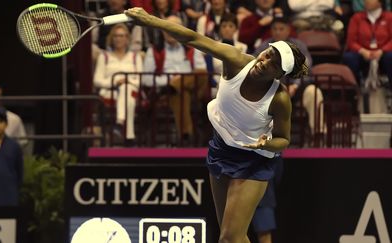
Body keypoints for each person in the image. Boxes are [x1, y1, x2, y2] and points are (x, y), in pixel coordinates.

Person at [125, 7, 308, 243]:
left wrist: (267, 143)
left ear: (280, 74)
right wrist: (150, 20)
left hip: (254, 161)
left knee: (229, 238)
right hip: (221, 150)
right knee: (233, 238)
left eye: (273, 64)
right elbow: (194, 37)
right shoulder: (236, 60)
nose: (265, 61)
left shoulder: (280, 99)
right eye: (268, 54)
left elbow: (284, 139)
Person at [143, 15, 208, 144]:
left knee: (201, 74)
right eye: (167, 28)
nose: (170, 32)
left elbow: (202, 73)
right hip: (165, 93)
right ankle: (186, 135)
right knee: (180, 93)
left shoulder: (192, 49)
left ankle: (174, 86)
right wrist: (169, 81)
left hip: (194, 91)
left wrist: (176, 82)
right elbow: (146, 79)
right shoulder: (154, 50)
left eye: (173, 28)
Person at [255, 16, 325, 135]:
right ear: (271, 30)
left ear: (288, 30)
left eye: (281, 29)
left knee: (314, 92)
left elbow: (305, 69)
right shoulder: (264, 47)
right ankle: (261, 138)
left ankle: (319, 134)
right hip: (270, 90)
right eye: (275, 29)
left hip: (297, 89)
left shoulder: (299, 46)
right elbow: (254, 66)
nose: (278, 32)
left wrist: (295, 86)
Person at [93, 23, 143, 147]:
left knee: (127, 90)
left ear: (127, 38)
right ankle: (129, 137)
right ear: (111, 38)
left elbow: (140, 80)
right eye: (115, 36)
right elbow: (97, 80)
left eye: (122, 36)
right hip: (110, 92)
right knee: (129, 100)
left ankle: (119, 123)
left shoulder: (135, 57)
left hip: (132, 91)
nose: (118, 38)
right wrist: (115, 82)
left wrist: (126, 82)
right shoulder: (104, 57)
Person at [342, 0, 392, 89]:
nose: (366, 1)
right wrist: (362, 51)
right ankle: (354, 90)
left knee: (390, 56)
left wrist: (382, 51)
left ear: (380, 2)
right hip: (362, 53)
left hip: (383, 52)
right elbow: (351, 42)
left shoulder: (389, 17)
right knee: (349, 57)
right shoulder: (356, 17)